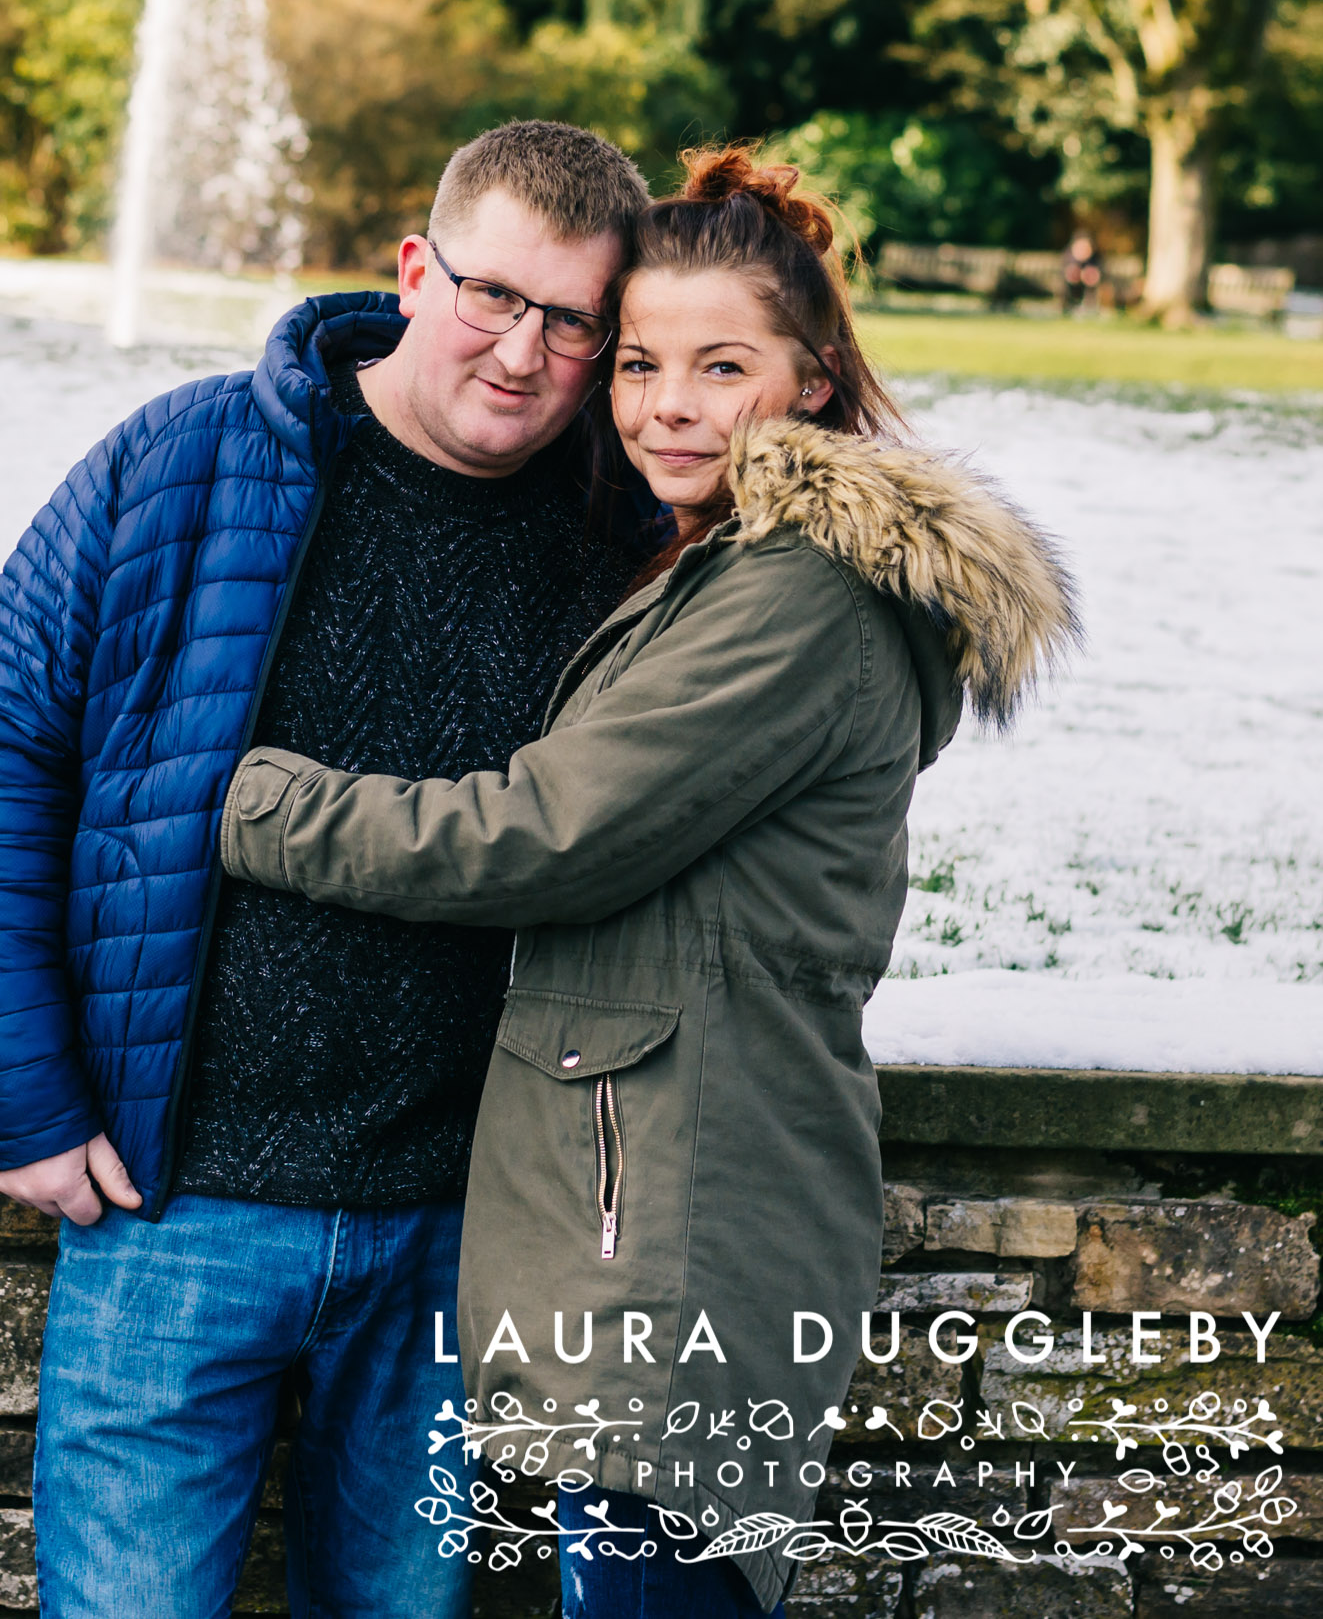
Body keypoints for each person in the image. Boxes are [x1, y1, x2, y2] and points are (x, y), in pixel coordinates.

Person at [220, 146, 1078, 1619]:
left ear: (810, 379)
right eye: (637, 363)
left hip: (680, 1225)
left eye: (719, 365)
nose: (665, 405)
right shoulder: (721, 562)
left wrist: (248, 800)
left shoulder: (797, 595)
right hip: (636, 1205)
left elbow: (542, 833)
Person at [0, 119, 653, 1619]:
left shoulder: (628, 532)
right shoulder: (186, 460)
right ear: (412, 270)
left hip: (461, 1228)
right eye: (492, 295)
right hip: (169, 1204)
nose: (522, 353)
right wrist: (22, 1093)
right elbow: (2, 744)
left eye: (573, 319)